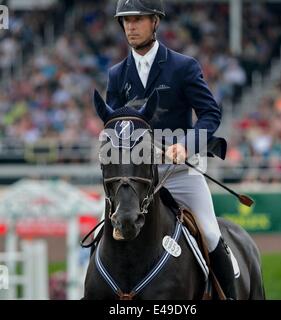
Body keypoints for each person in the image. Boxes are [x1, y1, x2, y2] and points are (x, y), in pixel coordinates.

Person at [106, 0, 236, 299]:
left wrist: (186, 145)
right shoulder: (116, 74)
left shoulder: (183, 66)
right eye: (125, 21)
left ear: (155, 22)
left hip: (179, 172)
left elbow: (210, 114)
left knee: (212, 234)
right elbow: (113, 127)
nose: (131, 26)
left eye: (137, 19)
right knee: (105, 234)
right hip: (135, 177)